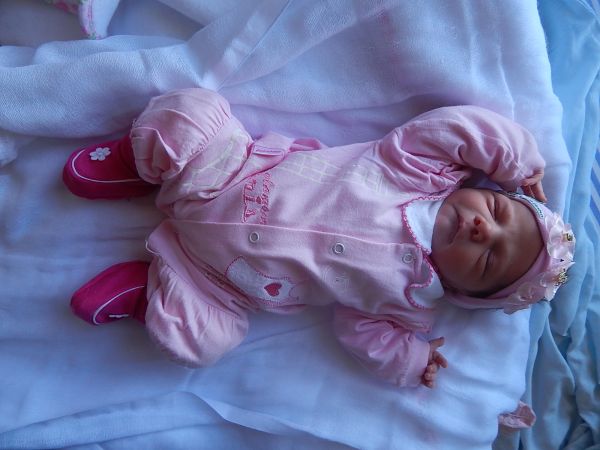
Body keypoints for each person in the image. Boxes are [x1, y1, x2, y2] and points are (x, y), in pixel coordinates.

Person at [63, 88, 575, 389]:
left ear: (465, 292)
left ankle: (150, 290)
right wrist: (516, 160)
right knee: (191, 113)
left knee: (200, 344)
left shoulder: (408, 304)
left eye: (488, 260)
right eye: (497, 210)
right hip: (229, 174)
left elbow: (364, 339)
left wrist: (410, 361)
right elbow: (454, 128)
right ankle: (139, 163)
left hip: (214, 278)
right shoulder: (417, 170)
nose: (485, 230)